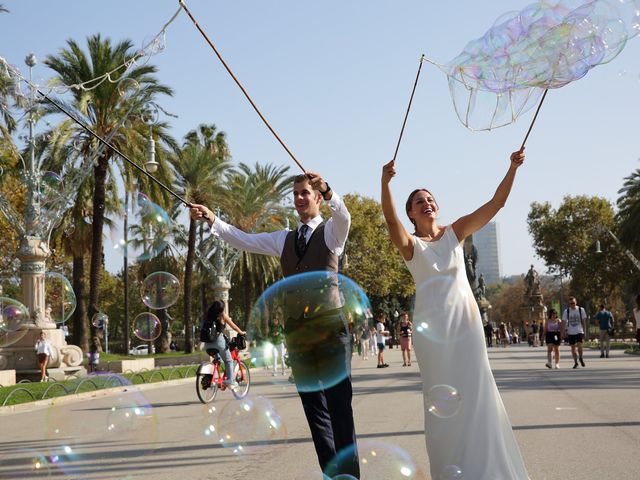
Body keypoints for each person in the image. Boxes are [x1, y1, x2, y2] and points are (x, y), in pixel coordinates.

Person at [190, 172, 359, 478]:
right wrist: (213, 219)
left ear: (318, 198)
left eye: (305, 193)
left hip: (331, 328)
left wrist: (330, 190)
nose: (298, 199)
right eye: (295, 194)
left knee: (339, 406)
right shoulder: (284, 239)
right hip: (298, 332)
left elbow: (344, 216)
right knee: (314, 408)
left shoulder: (332, 233)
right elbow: (243, 239)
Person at [381, 148, 529, 478]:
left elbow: (495, 205)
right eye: (419, 201)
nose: (427, 203)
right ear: (411, 213)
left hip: (467, 325)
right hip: (431, 334)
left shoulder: (455, 232)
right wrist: (385, 182)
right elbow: (390, 220)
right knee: (442, 407)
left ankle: (487, 469)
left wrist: (512, 168)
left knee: (478, 395)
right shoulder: (410, 246)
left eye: (430, 198)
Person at [200, 300, 246, 388]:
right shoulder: (222, 315)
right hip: (218, 343)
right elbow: (234, 327)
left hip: (207, 344)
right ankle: (230, 381)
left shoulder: (208, 314)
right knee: (228, 360)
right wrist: (241, 332)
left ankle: (209, 378)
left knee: (218, 359)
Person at [562, 296, 588, 369]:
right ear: (569, 304)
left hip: (579, 331)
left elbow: (584, 322)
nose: (572, 305)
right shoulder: (566, 311)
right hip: (571, 332)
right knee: (573, 348)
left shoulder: (581, 310)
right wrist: (563, 332)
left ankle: (581, 357)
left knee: (580, 346)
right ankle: (576, 362)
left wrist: (585, 331)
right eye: (571, 303)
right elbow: (563, 322)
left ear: (576, 302)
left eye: (573, 303)